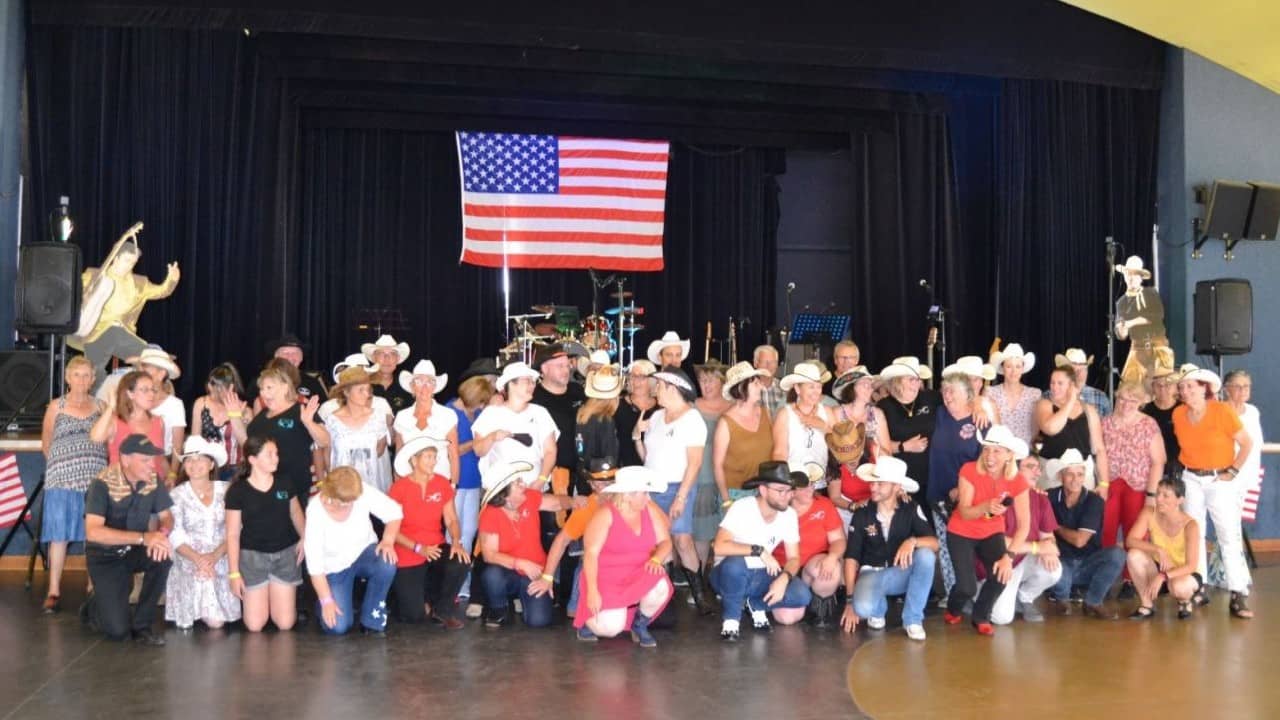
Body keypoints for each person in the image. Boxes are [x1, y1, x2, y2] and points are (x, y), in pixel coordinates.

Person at [1172, 367, 1254, 618]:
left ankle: (1238, 593)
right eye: (1182, 387)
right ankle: (1199, 586)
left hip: (1219, 480)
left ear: (1204, 388)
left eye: (1191, 386)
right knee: (1195, 534)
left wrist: (1233, 470)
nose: (1185, 391)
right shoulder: (1178, 414)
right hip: (1191, 478)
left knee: (1228, 535)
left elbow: (1246, 443)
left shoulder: (1221, 412)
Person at [80, 434, 173, 645]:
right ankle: (95, 605)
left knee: (163, 557)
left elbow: (167, 516)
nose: (152, 465)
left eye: (153, 459)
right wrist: (144, 537)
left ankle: (143, 625)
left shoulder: (153, 480)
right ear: (125, 459)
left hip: (133, 549)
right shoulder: (101, 484)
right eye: (145, 460)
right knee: (117, 632)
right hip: (105, 556)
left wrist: (161, 535)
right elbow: (93, 532)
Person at [839, 456, 938, 641]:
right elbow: (851, 557)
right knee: (863, 608)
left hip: (899, 573)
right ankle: (877, 608)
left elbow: (934, 542)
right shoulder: (862, 512)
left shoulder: (910, 508)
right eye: (872, 482)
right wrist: (850, 600)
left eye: (880, 483)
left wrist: (912, 542)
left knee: (926, 555)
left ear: (896, 487)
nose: (873, 487)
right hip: (871, 574)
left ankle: (913, 620)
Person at [710, 462, 811, 641]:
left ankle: (755, 605)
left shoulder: (788, 515)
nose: (786, 496)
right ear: (763, 490)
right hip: (728, 575)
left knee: (802, 594)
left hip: (762, 574)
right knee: (735, 566)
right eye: (781, 491)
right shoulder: (743, 507)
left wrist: (784, 578)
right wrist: (759, 550)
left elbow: (794, 558)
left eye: (789, 491)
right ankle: (731, 621)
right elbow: (719, 546)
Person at [68, 228, 179, 390]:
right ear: (116, 258)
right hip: (97, 333)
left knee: (151, 358)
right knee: (94, 374)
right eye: (127, 260)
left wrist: (172, 280)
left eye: (133, 263)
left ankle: (147, 396)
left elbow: (162, 291)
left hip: (123, 333)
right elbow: (74, 294)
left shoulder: (139, 284)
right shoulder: (94, 276)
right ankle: (95, 405)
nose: (130, 266)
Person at [944, 425, 1030, 635]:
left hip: (991, 531)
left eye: (997, 451)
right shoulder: (969, 470)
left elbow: (1024, 525)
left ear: (1009, 455)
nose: (990, 456)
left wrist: (1008, 557)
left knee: (1002, 574)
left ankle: (981, 615)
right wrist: (986, 507)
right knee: (967, 587)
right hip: (961, 530)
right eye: (987, 449)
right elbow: (964, 512)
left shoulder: (1018, 481)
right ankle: (953, 609)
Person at [575, 466, 675, 647]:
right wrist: (592, 591)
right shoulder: (605, 515)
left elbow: (666, 542)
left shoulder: (649, 509)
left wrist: (656, 559)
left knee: (660, 585)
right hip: (606, 578)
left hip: (639, 570)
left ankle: (640, 623)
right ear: (628, 495)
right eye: (644, 493)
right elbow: (590, 554)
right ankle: (588, 623)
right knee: (611, 628)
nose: (648, 498)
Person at [477, 460, 584, 628]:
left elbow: (557, 502)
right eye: (517, 482)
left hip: (535, 572)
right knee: (492, 575)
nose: (523, 484)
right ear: (504, 494)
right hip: (509, 572)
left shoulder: (529, 497)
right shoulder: (490, 514)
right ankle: (498, 609)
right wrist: (519, 563)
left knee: (539, 621)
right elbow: (489, 554)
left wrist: (574, 501)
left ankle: (524, 598)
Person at [634, 367, 708, 606]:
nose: (656, 390)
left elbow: (695, 463)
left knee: (682, 540)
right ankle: (659, 594)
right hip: (653, 487)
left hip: (678, 486)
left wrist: (682, 496)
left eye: (660, 386)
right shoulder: (656, 417)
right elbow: (647, 456)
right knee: (657, 541)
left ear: (672, 388)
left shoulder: (692, 419)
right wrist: (637, 436)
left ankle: (698, 594)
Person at [39, 356, 108, 614]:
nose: (81, 380)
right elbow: (46, 443)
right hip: (62, 480)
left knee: (94, 535)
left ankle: (93, 587)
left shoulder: (101, 406)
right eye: (76, 374)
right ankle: (53, 591)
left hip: (95, 482)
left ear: (93, 379)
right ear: (67, 378)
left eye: (86, 375)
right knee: (58, 536)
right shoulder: (56, 406)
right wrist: (62, 468)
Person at [303, 466, 402, 635]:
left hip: (363, 553)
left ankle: (371, 618)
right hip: (334, 568)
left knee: (387, 561)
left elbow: (394, 512)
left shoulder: (359, 491)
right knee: (337, 627)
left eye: (353, 500)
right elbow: (315, 567)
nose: (350, 504)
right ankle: (322, 602)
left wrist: (387, 541)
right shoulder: (315, 511)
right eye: (346, 502)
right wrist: (327, 601)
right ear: (332, 496)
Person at [225, 436, 307, 632]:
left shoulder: (284, 482)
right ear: (252, 460)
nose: (275, 458)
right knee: (254, 625)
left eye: (276, 453)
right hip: (253, 557)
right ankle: (265, 600)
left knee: (285, 623)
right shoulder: (238, 491)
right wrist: (234, 573)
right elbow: (233, 534)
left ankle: (277, 600)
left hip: (285, 554)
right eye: (269, 454)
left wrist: (305, 537)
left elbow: (295, 511)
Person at [388, 437, 471, 628]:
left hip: (435, 546)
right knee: (413, 615)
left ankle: (443, 611)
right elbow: (392, 530)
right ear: (414, 461)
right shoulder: (398, 488)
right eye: (428, 457)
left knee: (460, 560)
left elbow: (451, 518)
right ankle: (416, 599)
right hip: (407, 549)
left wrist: (457, 541)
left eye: (435, 457)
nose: (433, 461)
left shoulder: (442, 483)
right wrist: (418, 548)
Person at [534, 457, 621, 628]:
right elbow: (561, 541)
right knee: (574, 613)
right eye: (595, 484)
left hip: (626, 563)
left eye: (606, 484)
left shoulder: (630, 502)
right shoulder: (588, 505)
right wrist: (547, 576)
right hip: (595, 563)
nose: (600, 489)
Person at [165, 437, 240, 631]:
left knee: (216, 622)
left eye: (200, 459)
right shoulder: (176, 495)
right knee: (215, 621)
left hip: (221, 555)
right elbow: (175, 534)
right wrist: (198, 559)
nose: (194, 464)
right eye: (189, 459)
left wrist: (214, 556)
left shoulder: (227, 491)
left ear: (211, 464)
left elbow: (235, 529)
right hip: (188, 556)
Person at [234, 359, 329, 499]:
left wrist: (309, 423)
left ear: (285, 388)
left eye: (269, 388)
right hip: (263, 487)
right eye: (261, 389)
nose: (264, 393)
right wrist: (234, 417)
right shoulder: (261, 416)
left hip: (293, 489)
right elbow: (248, 445)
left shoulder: (300, 410)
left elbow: (325, 441)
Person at [1048, 450, 1126, 619]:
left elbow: (1079, 541)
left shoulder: (1094, 501)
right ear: (1061, 476)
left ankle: (1093, 601)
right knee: (1054, 565)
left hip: (1088, 563)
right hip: (1061, 561)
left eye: (1080, 474)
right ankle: (1061, 598)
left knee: (1117, 554)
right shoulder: (1049, 496)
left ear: (1084, 477)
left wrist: (1054, 526)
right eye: (1070, 474)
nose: (1075, 479)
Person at [985, 453, 1061, 625]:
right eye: (1030, 467)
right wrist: (1037, 548)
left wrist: (1048, 548)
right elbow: (996, 541)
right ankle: (977, 595)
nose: (1037, 472)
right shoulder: (999, 498)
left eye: (1038, 468)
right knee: (1001, 618)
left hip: (1022, 560)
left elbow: (1049, 537)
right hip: (1000, 562)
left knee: (1054, 569)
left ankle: (1024, 598)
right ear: (1015, 470)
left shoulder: (1041, 499)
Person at [927, 373, 984, 599]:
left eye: (953, 391)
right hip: (939, 497)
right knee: (948, 548)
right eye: (945, 390)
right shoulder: (939, 414)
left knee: (970, 548)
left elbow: (987, 464)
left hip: (969, 499)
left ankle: (974, 591)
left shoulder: (980, 422)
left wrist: (965, 489)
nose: (947, 396)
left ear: (967, 394)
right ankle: (955, 597)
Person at [770, 463, 845, 627]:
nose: (810, 489)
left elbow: (838, 540)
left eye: (811, 484)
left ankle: (820, 610)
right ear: (791, 491)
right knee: (787, 618)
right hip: (784, 569)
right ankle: (796, 600)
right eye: (804, 487)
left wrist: (832, 557)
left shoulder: (824, 505)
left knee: (830, 570)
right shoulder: (777, 509)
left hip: (812, 566)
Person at [448, 374, 494, 613]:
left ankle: (463, 582)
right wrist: (478, 444)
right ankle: (451, 584)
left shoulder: (475, 413)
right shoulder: (449, 413)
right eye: (481, 401)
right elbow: (450, 449)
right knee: (452, 532)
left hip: (474, 478)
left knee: (469, 532)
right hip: (455, 480)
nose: (483, 406)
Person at [1126, 476, 1202, 620]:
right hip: (1159, 567)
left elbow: (1191, 565)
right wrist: (1157, 549)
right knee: (1133, 555)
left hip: (1182, 574)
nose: (1159, 499)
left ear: (1180, 500)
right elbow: (1130, 541)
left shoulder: (1191, 525)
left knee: (1179, 587)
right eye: (1158, 493)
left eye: (1166, 495)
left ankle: (1185, 601)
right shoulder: (1149, 512)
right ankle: (1146, 605)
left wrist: (1163, 576)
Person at [1101, 382, 1165, 550]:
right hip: (1110, 484)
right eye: (1122, 399)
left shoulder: (1148, 424)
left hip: (1138, 487)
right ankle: (1105, 570)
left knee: (1135, 535)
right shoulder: (1105, 423)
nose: (1126, 404)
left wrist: (1151, 496)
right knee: (1105, 531)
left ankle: (1131, 574)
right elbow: (1098, 455)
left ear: (1141, 402)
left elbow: (1158, 461)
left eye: (1132, 400)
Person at [1217, 369, 1264, 589]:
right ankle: (1234, 575)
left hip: (1248, 476)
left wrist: (1252, 475)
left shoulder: (1253, 412)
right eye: (1238, 386)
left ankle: (1228, 573)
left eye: (1247, 386)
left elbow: (1255, 445)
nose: (1243, 390)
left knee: (1235, 526)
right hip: (1226, 476)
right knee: (1229, 527)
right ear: (1226, 389)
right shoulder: (1219, 411)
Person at [471, 362, 558, 480]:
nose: (532, 386)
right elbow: (478, 450)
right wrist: (492, 437)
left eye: (533, 382)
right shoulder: (491, 414)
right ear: (511, 384)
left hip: (533, 487)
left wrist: (541, 481)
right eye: (527, 381)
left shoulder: (540, 413)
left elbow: (550, 451)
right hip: (501, 490)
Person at [312, 366, 394, 492]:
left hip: (371, 486)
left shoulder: (378, 418)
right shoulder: (332, 421)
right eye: (360, 390)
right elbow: (326, 455)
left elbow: (380, 449)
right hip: (341, 488)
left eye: (368, 389)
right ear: (346, 392)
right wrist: (326, 482)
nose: (366, 394)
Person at [1035, 365, 1112, 493]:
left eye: (1060, 383)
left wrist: (1104, 484)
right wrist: (1070, 401)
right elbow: (1051, 428)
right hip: (1052, 475)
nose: (1054, 387)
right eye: (1052, 382)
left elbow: (1099, 449)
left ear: (1072, 385)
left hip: (1082, 475)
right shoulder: (1044, 404)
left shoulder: (1089, 410)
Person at [875, 357, 940, 501]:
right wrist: (904, 446)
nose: (916, 384)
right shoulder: (883, 407)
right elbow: (876, 447)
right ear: (897, 381)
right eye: (911, 379)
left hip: (933, 478)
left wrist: (979, 404)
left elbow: (959, 401)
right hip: (902, 481)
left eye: (918, 379)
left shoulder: (931, 398)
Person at [713, 361, 773, 508]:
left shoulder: (765, 413)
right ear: (741, 388)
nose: (761, 386)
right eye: (755, 383)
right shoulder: (725, 423)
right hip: (735, 493)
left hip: (763, 490)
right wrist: (727, 500)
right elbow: (717, 465)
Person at [90, 370, 167, 479]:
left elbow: (161, 459)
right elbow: (95, 438)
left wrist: (171, 476)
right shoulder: (116, 421)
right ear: (130, 393)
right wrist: (111, 406)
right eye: (145, 390)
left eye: (153, 390)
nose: (151, 394)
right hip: (122, 490)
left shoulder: (159, 422)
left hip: (154, 489)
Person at [826, 366, 879, 527]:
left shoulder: (877, 414)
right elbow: (835, 496)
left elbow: (886, 450)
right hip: (847, 504)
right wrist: (853, 506)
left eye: (870, 384)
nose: (869, 388)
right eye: (864, 384)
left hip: (873, 499)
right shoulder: (836, 413)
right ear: (852, 388)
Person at [392, 360, 459, 484]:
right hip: (410, 485)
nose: (425, 386)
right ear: (412, 386)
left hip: (440, 484)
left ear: (435, 387)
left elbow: (454, 455)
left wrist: (453, 486)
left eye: (430, 382)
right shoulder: (402, 417)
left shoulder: (447, 415)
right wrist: (398, 489)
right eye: (419, 381)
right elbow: (398, 457)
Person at [771, 363, 837, 487]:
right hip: (793, 484)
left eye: (819, 386)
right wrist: (784, 483)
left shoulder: (827, 411)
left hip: (821, 484)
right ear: (797, 389)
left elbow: (840, 448)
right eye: (811, 387)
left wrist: (824, 426)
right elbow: (779, 453)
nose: (816, 391)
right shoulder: (785, 414)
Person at [692, 360, 733, 559]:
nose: (706, 385)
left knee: (728, 529)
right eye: (702, 380)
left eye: (711, 380)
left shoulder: (734, 406)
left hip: (730, 476)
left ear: (722, 382)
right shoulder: (692, 408)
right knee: (701, 532)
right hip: (703, 476)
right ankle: (699, 577)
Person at [1113, 256, 1173, 389]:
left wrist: (1131, 322)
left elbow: (1157, 315)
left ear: (1141, 277)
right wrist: (1122, 330)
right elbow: (1121, 335)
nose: (1131, 278)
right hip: (1137, 349)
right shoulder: (1121, 302)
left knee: (1161, 389)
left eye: (1135, 274)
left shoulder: (1150, 293)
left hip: (1157, 348)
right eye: (1129, 274)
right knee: (1128, 390)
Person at [130, 346, 187, 482]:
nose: (141, 372)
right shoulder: (132, 399)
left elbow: (177, 445)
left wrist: (173, 474)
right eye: (141, 368)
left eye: (146, 368)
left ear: (161, 374)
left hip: (162, 465)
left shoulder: (174, 405)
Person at [191, 363, 251, 482]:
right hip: (207, 466)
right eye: (211, 386)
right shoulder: (201, 404)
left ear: (231, 387)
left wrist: (238, 417)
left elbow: (247, 446)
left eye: (219, 389)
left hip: (234, 468)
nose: (213, 393)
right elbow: (195, 439)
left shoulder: (245, 409)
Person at [987, 343, 1040, 445]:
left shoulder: (1034, 394)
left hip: (1026, 452)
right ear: (1003, 368)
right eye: (1009, 366)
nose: (1013, 371)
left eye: (1018, 366)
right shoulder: (990, 392)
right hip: (999, 452)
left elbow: (1035, 429)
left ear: (1022, 369)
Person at [577, 367, 623, 472]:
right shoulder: (605, 420)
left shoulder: (582, 414)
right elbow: (609, 459)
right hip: (600, 479)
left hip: (583, 475)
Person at [1142, 366, 1184, 477]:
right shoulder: (1145, 411)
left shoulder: (1184, 410)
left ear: (1176, 387)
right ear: (1152, 388)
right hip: (1151, 468)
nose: (1163, 389)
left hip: (1179, 469)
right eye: (1158, 385)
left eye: (1168, 385)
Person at [614, 360, 657, 467]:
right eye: (633, 376)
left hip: (652, 470)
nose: (636, 381)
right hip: (624, 469)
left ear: (651, 380)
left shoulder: (660, 407)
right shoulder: (618, 404)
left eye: (642, 377)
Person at [1047, 348, 1112, 416]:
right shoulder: (1049, 396)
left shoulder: (1100, 397)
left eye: (1081, 369)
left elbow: (1107, 424)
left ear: (1087, 371)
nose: (1077, 374)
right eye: (1073, 369)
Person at [266, 333, 328, 403]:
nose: (290, 357)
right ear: (276, 357)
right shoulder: (263, 381)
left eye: (295, 353)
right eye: (285, 353)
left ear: (301, 358)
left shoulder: (312, 383)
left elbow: (324, 409)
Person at [363, 334, 414, 413]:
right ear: (373, 358)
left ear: (398, 359)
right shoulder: (362, 386)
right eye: (381, 353)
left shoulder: (406, 388)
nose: (387, 358)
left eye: (392, 354)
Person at [753, 345, 786, 418]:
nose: (768, 366)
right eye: (764, 362)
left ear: (777, 364)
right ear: (755, 363)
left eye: (772, 362)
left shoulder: (784, 389)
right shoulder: (748, 389)